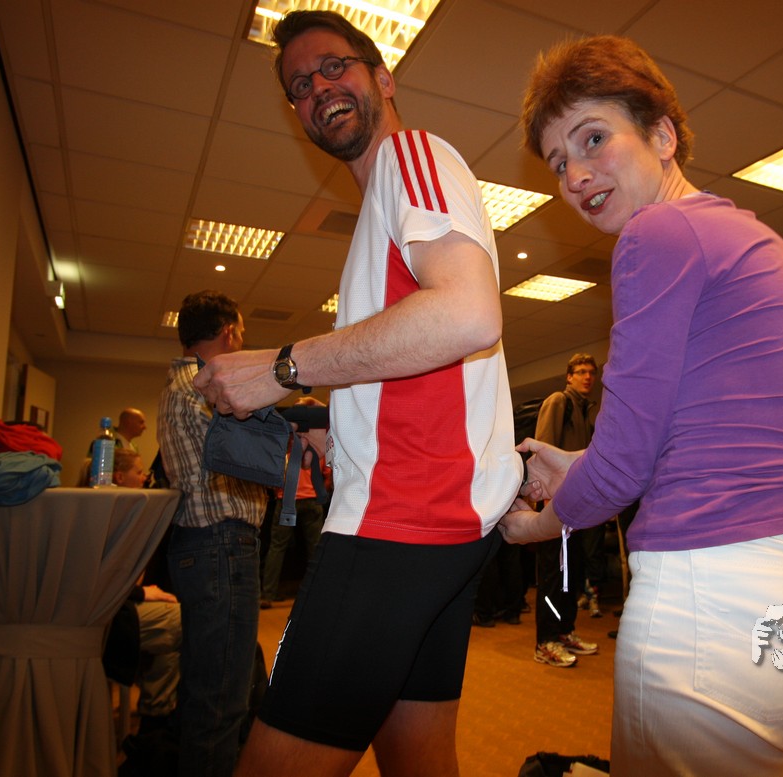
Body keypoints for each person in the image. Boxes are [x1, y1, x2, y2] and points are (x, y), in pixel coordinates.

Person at [502, 35, 783, 775]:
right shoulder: (748, 236)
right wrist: (579, 464)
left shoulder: (657, 232)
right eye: (557, 162)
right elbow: (702, 436)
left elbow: (624, 467)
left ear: (663, 135)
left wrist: (542, 523)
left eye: (593, 138)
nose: (575, 174)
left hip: (723, 601)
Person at [193, 11, 519, 776]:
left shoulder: (411, 157)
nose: (318, 88)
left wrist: (280, 367)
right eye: (300, 86)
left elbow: (468, 314)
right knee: (417, 759)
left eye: (334, 67)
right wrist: (338, 428)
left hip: (399, 522)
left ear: (383, 77)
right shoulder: (378, 215)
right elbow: (412, 361)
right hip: (436, 523)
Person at [157, 290, 268, 777]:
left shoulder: (177, 386)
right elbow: (247, 457)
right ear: (228, 333)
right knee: (220, 703)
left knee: (213, 686)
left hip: (202, 545)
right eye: (240, 332)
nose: (241, 341)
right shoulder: (204, 388)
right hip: (221, 544)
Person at [102, 449, 182, 735]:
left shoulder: (127, 511)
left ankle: (157, 714)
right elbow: (105, 579)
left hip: (116, 606)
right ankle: (156, 720)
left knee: (173, 625)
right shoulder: (108, 514)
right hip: (109, 616)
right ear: (119, 476)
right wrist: (141, 595)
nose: (145, 477)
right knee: (182, 623)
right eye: (138, 472)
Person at [531, 352, 599, 667]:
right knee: (552, 575)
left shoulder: (587, 410)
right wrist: (547, 499)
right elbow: (543, 449)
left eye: (592, 372)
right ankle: (545, 642)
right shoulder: (559, 401)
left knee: (573, 573)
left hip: (580, 507)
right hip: (556, 506)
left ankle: (564, 631)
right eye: (581, 371)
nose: (588, 377)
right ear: (569, 376)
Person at [259, 396, 329, 609]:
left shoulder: (281, 447)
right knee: (316, 549)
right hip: (311, 500)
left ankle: (267, 594)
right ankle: (320, 593)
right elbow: (327, 474)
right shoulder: (316, 443)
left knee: (277, 548)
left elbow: (271, 477)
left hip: (287, 501)